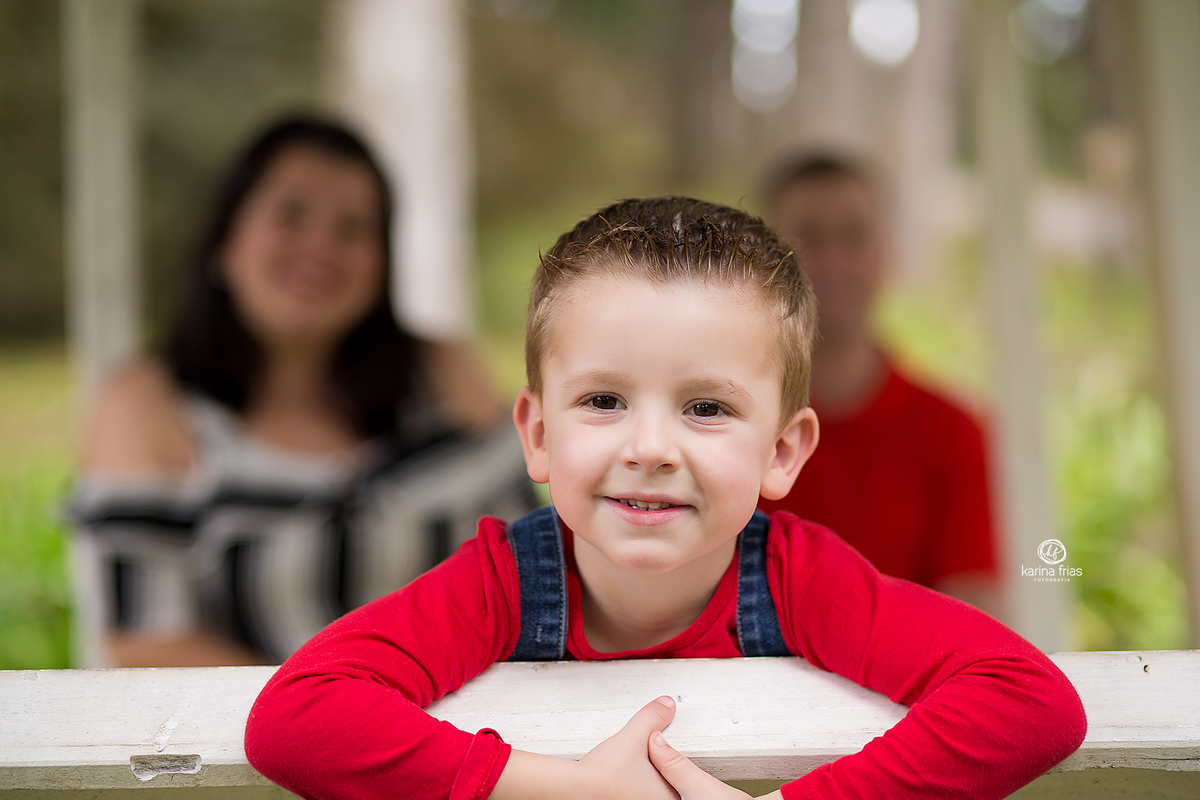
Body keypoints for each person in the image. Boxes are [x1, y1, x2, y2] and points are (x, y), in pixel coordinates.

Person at [244, 197, 1086, 799]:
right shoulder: (504, 581)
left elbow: (1029, 702)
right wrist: (566, 791)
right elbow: (297, 718)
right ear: (537, 435)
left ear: (783, 452)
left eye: (706, 408)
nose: (648, 449)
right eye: (603, 401)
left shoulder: (802, 580)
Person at [70, 116, 535, 668]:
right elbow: (145, 643)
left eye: (353, 229)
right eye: (290, 215)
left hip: (468, 729)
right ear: (224, 241)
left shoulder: (443, 373)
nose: (320, 247)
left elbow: (530, 564)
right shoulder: (146, 404)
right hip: (249, 747)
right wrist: (342, 719)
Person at [757, 153, 1001, 616]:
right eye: (806, 238)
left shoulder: (955, 433)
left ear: (884, 255)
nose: (831, 260)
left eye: (854, 236)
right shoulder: (720, 419)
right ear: (765, 263)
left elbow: (977, 617)